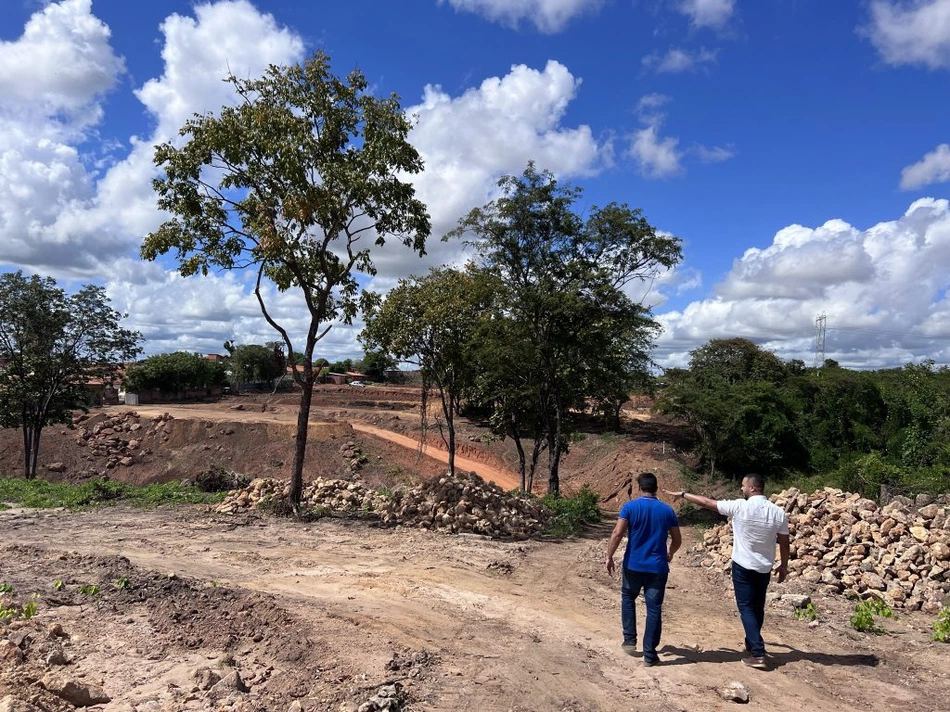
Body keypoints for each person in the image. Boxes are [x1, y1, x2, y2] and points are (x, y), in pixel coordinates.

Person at [665, 474, 790, 670]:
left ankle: (757, 652)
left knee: (746, 607)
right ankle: (752, 641)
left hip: (743, 565)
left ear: (753, 488)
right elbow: (784, 542)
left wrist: (683, 494)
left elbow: (707, 503)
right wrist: (784, 565)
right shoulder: (778, 512)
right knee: (757, 607)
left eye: (743, 486)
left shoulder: (740, 506)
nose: (742, 489)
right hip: (764, 567)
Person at [605, 472, 681, 667]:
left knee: (628, 598)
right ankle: (650, 654)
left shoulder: (630, 507)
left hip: (633, 565)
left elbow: (618, 533)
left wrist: (609, 556)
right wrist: (670, 553)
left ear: (639, 488)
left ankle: (630, 641)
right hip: (657, 567)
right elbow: (677, 539)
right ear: (656, 488)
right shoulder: (667, 511)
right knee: (654, 608)